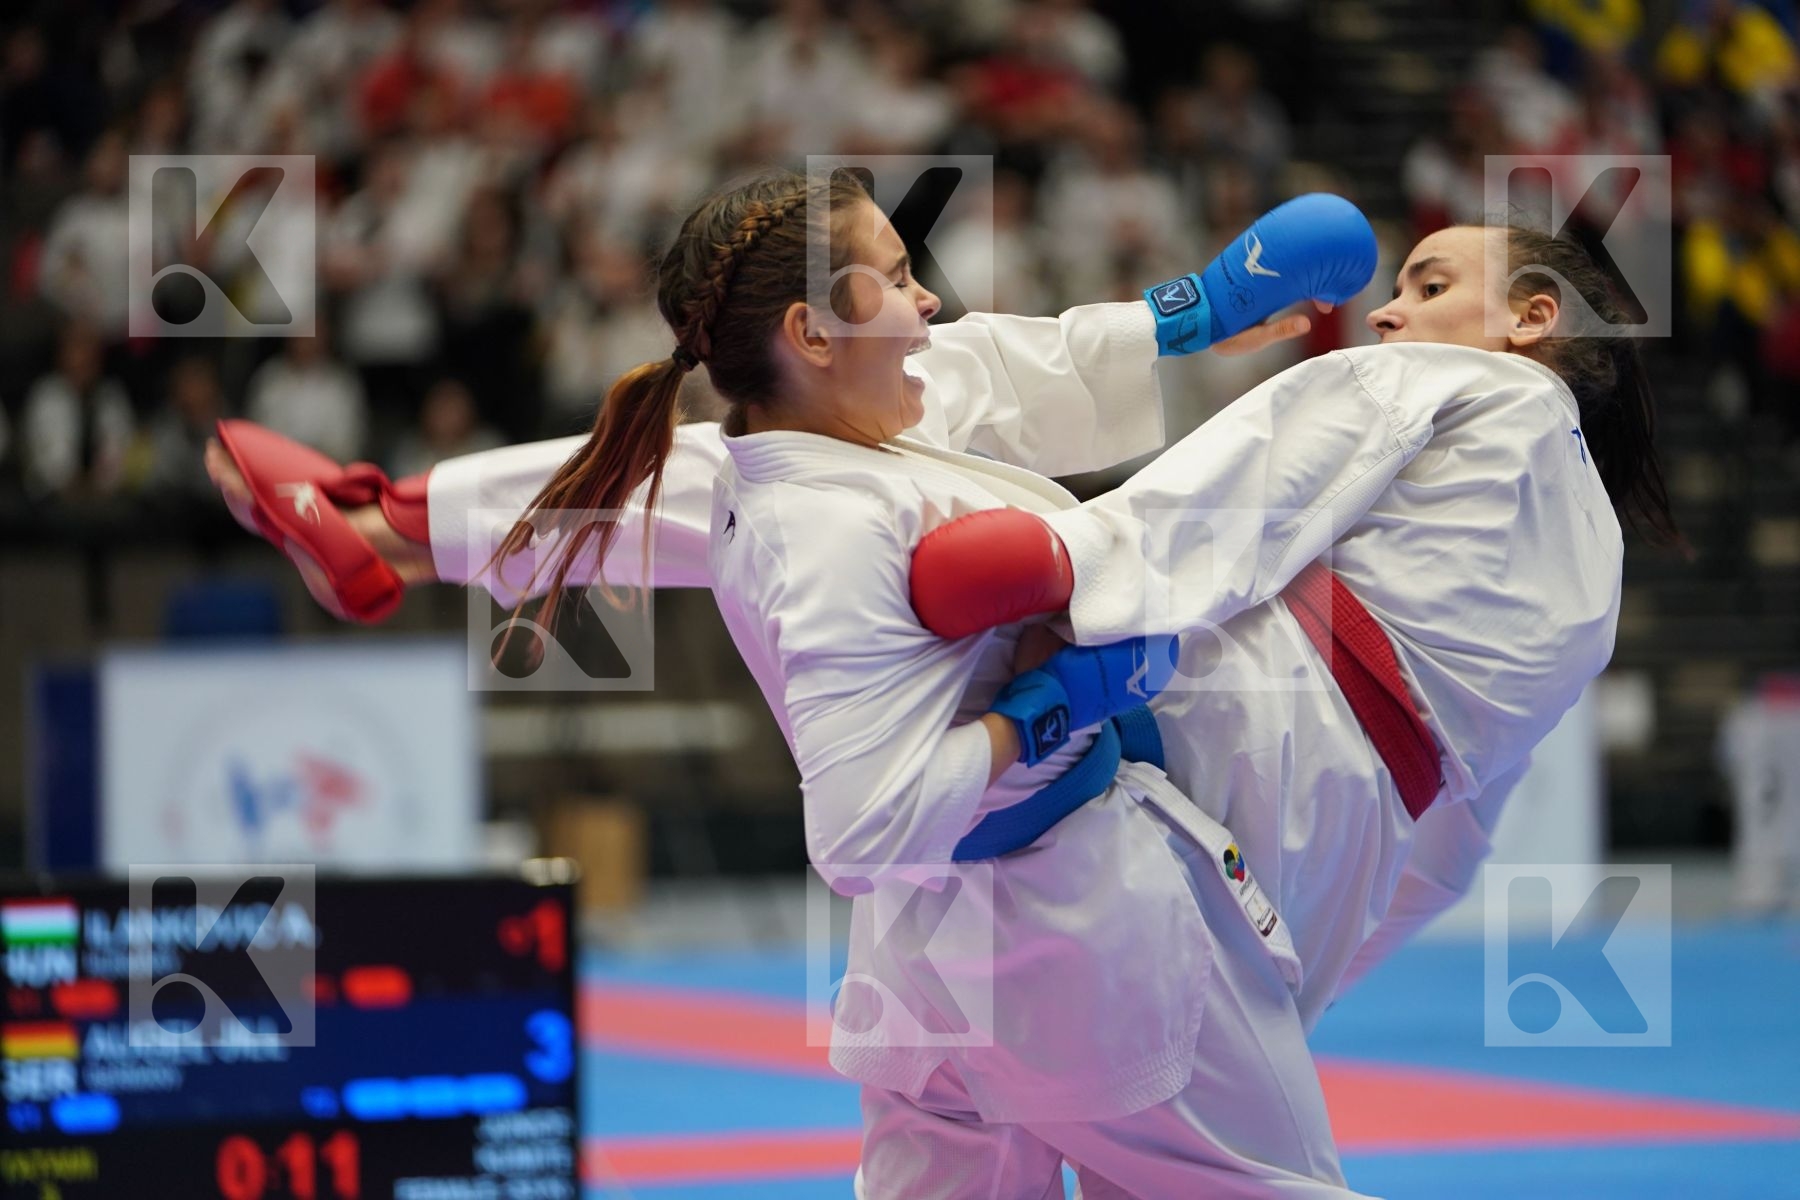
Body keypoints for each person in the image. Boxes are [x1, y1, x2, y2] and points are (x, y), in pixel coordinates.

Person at [210, 177, 1668, 1194]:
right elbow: (1429, 832)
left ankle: (398, 521)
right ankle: (398, 523)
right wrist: (1175, 344)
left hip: (1068, 857)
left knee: (775, 466)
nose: (1393, 316)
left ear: (1535, 324)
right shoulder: (1575, 553)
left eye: (1430, 284)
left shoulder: (1470, 390)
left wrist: (1062, 566)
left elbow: (1228, 495)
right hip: (1268, 820)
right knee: (816, 453)